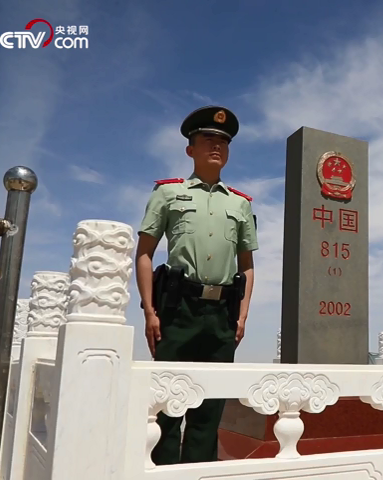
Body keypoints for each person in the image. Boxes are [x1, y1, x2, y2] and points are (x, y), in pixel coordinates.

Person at [134, 105, 258, 464]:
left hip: (222, 315)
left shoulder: (240, 204)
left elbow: (247, 265)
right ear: (190, 149)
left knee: (209, 410)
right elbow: (144, 254)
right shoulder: (168, 194)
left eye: (223, 141)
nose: (217, 146)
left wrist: (242, 316)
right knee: (168, 406)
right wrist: (150, 311)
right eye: (207, 139)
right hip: (178, 309)